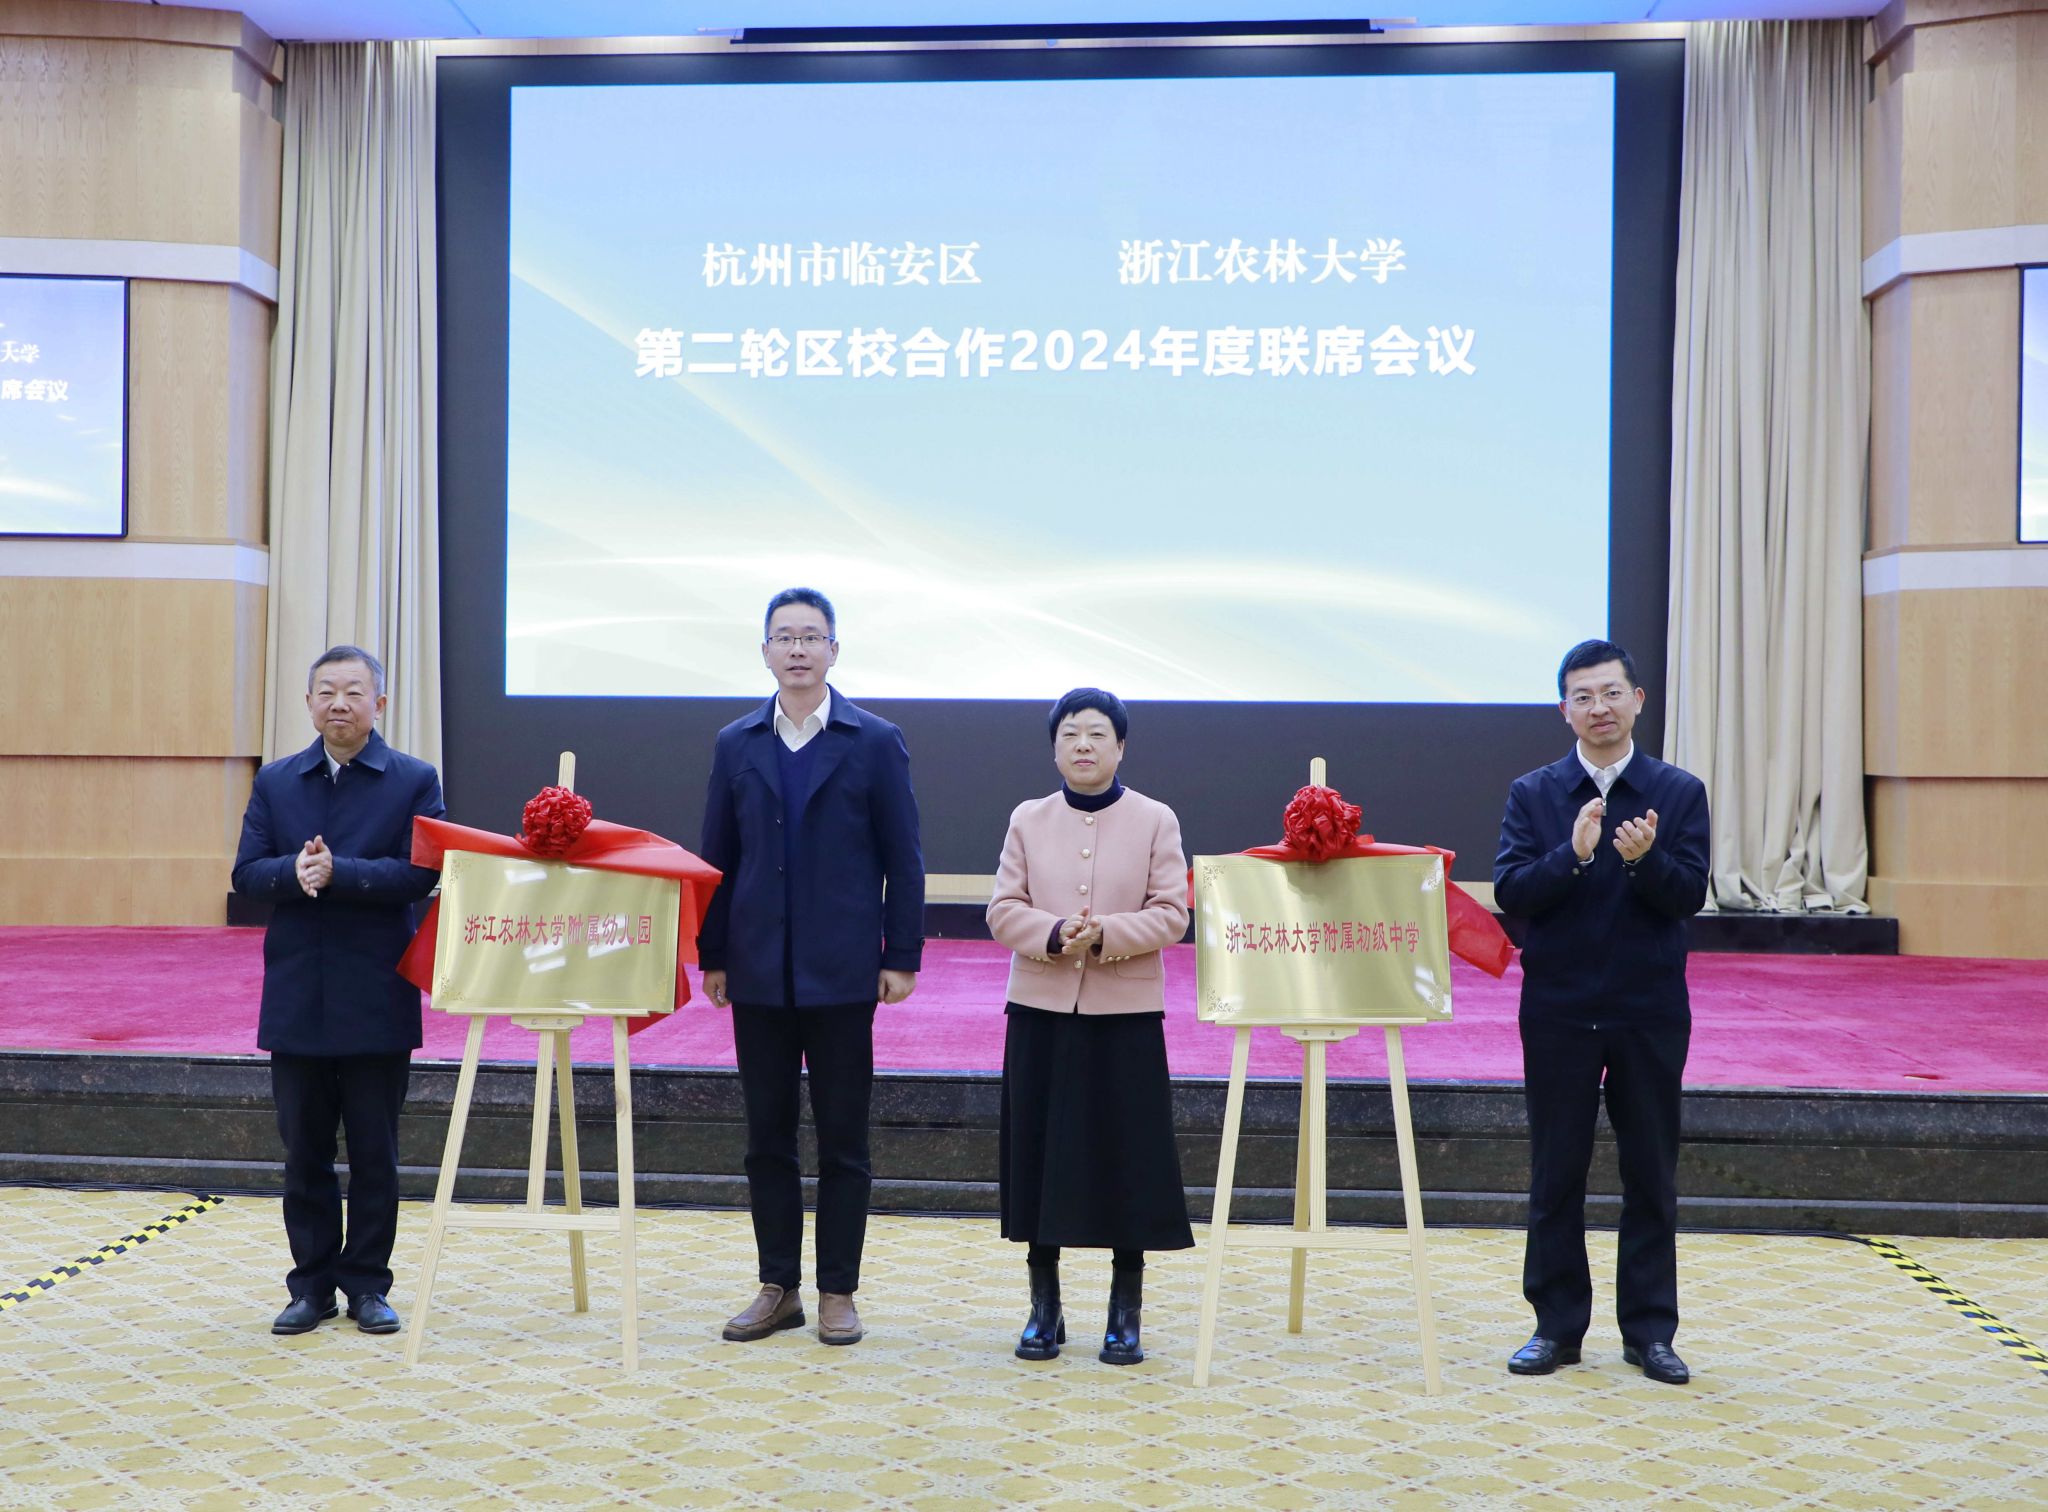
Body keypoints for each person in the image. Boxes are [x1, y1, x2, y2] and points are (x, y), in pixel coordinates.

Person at [697, 587, 924, 1347]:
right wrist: (714, 953)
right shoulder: (736, 742)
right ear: (765, 651)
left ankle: (837, 1291)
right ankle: (778, 1287)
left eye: (811, 636)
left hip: (842, 971)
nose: (797, 649)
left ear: (834, 650)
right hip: (758, 970)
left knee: (842, 1139)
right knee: (766, 1137)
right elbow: (718, 857)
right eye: (784, 637)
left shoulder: (875, 740)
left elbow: (904, 858)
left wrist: (901, 955)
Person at [1493, 639, 1710, 1386]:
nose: (1599, 708)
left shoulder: (1677, 791)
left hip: (1649, 1009)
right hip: (1559, 1009)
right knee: (1556, 1171)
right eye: (1583, 697)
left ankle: (1650, 1332)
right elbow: (1513, 893)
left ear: (1638, 700)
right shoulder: (1534, 793)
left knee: (1650, 1172)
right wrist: (1575, 855)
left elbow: (1688, 896)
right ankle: (1555, 1329)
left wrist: (1645, 859)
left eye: (1612, 692)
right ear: (1565, 710)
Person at [231, 646, 444, 1337]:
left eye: (353, 692)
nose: (339, 704)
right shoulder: (277, 781)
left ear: (378, 703)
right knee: (305, 1152)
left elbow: (422, 874)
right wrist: (292, 873)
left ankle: (369, 1285)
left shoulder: (413, 779)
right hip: (298, 991)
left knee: (375, 1153)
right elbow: (246, 872)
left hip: (376, 989)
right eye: (326, 692)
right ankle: (311, 1286)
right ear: (308, 703)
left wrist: (340, 872)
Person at [985, 688, 1195, 1365]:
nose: (1083, 744)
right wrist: (1053, 933)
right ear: (1054, 747)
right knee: (1038, 1153)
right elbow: (1002, 909)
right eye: (1070, 733)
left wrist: (1106, 933)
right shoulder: (1028, 818)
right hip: (1041, 1009)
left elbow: (1173, 913)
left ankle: (1124, 1311)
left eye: (1098, 733)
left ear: (1120, 747)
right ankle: (1043, 1307)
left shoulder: (1156, 818)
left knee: (1127, 1155)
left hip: (1124, 1013)